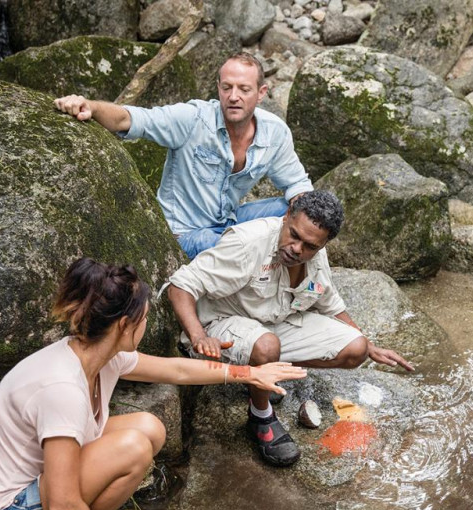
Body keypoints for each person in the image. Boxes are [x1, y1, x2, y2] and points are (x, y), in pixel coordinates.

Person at [0, 258, 306, 510]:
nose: (146, 323)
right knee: (134, 449)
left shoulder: (99, 353)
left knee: (150, 428)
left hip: (37, 479)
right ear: (124, 325)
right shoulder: (62, 389)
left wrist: (249, 373)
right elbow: (63, 504)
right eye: (143, 317)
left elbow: (177, 369)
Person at [166, 190, 414, 468]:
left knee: (356, 349)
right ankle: (261, 415)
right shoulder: (248, 242)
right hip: (218, 326)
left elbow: (330, 304)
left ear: (322, 245)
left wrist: (369, 345)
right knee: (266, 346)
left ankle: (260, 372)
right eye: (294, 235)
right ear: (286, 218)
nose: (297, 249)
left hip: (270, 324)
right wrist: (199, 335)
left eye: (309, 246)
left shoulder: (315, 255)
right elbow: (181, 286)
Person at [53, 52, 313, 259]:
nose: (234, 97)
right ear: (218, 88)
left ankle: (301, 283)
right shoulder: (192, 119)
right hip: (184, 235)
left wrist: (303, 217)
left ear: (262, 93)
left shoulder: (274, 132)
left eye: (244, 89)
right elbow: (129, 119)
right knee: (227, 246)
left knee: (299, 210)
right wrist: (90, 106)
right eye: (227, 88)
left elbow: (296, 184)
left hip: (228, 222)